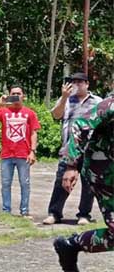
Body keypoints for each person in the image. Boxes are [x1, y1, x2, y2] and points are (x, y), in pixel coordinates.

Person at [53, 96, 114, 271]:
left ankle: (70, 246)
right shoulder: (110, 106)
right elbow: (80, 125)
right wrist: (72, 164)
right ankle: (72, 245)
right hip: (103, 173)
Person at [43, 72, 102, 226]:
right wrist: (63, 97)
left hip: (90, 149)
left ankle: (84, 214)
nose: (76, 84)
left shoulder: (97, 101)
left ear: (87, 84)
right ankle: (54, 213)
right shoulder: (67, 100)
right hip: (68, 148)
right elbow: (56, 115)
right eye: (73, 82)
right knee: (61, 182)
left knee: (88, 184)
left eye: (80, 82)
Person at [0, 84, 41, 217]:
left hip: (23, 153)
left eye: (18, 94)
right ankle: (6, 210)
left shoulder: (29, 113)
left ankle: (24, 210)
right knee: (5, 183)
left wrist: (33, 151)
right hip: (7, 154)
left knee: (25, 184)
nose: (16, 96)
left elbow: (34, 133)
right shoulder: (4, 111)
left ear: (24, 96)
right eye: (13, 94)